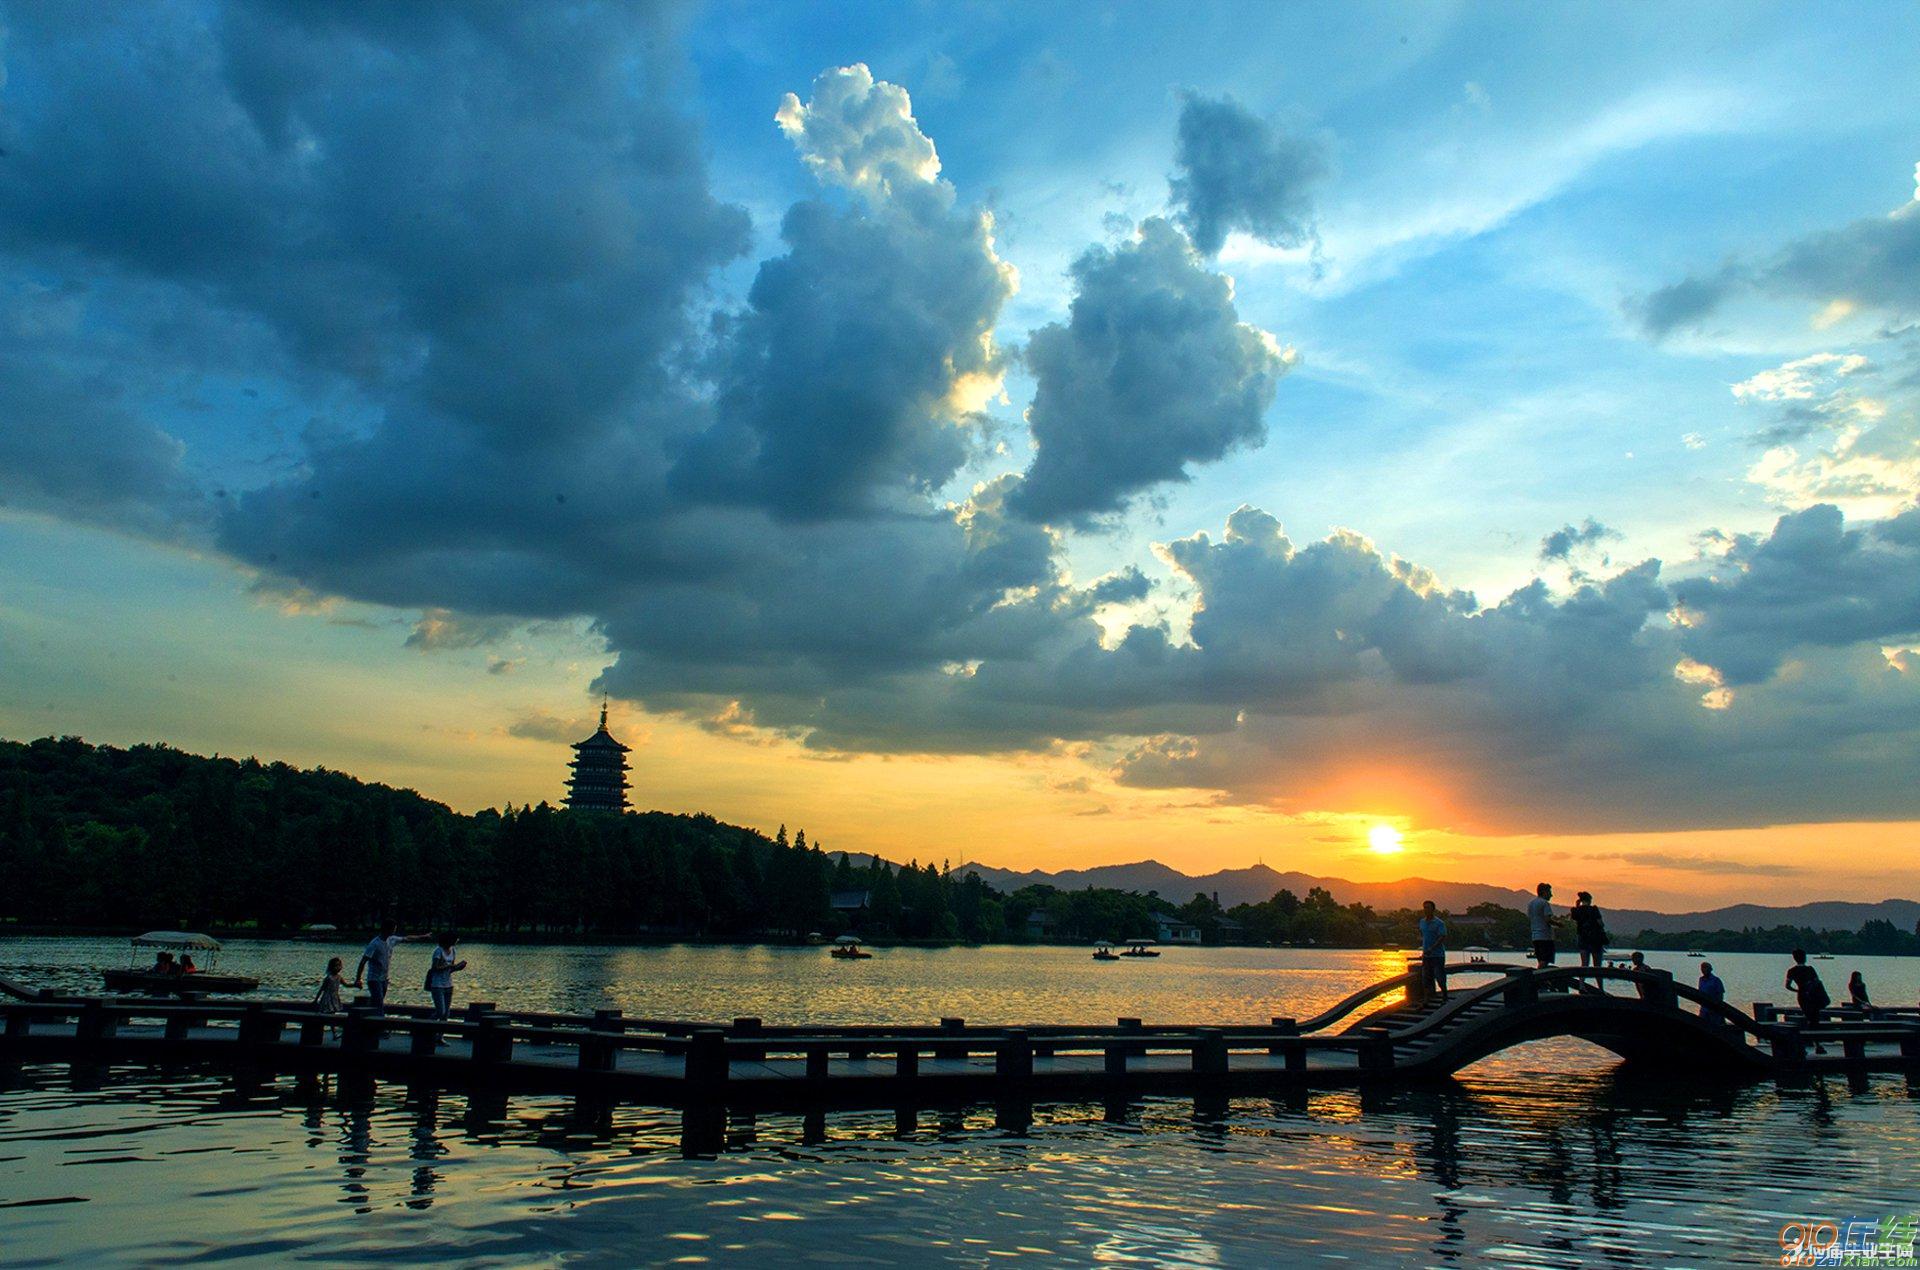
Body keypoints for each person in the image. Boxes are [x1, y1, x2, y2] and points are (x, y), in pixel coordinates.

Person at [355, 922, 429, 1013]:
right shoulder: (374, 944)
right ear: (388, 929)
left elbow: (407, 938)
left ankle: (370, 1019)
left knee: (377, 1002)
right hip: (374, 979)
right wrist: (358, 978)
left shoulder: (391, 940)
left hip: (384, 979)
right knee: (378, 1003)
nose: (395, 931)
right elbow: (363, 961)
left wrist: (423, 937)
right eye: (394, 929)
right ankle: (379, 1022)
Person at [1785, 949, 1830, 1053]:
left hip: (1802, 996)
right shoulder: (1810, 969)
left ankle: (1805, 1044)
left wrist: (1798, 990)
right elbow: (1817, 981)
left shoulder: (1791, 971)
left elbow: (1787, 986)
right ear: (1804, 957)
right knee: (1814, 1020)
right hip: (1813, 996)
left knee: (1808, 1018)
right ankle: (1817, 1044)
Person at [425, 933, 467, 1022]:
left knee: (446, 1014)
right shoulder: (438, 951)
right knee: (441, 1012)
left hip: (448, 985)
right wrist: (448, 966)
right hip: (437, 985)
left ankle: (440, 1035)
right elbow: (434, 968)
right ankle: (425, 1026)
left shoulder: (453, 951)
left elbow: (450, 969)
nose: (456, 942)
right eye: (455, 940)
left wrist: (458, 967)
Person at [1416, 900, 1448, 1001]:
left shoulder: (1439, 923)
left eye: (1428, 908)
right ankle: (1426, 1000)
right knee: (1426, 978)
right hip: (1426, 955)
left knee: (1439, 977)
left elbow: (1442, 937)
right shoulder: (1422, 922)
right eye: (1424, 907)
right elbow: (1423, 935)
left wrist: (1432, 948)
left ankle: (1444, 996)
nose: (1425, 910)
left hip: (1437, 955)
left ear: (1433, 909)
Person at [1569, 891, 1607, 974]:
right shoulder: (1594, 909)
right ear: (1589, 899)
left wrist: (1577, 906)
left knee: (1584, 964)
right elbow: (1601, 923)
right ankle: (1600, 986)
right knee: (1597, 966)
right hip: (1595, 939)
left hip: (1582, 938)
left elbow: (1574, 918)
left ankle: (1581, 985)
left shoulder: (1576, 910)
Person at [1526, 882, 1555, 968]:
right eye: (1549, 892)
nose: (1551, 895)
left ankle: (1541, 980)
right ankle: (1537, 978)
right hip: (1545, 937)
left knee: (1540, 960)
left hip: (1535, 936)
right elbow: (1547, 919)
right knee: (1544, 960)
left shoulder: (1531, 904)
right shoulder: (1544, 903)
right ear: (1544, 892)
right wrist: (1559, 924)